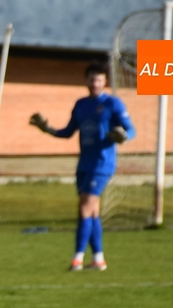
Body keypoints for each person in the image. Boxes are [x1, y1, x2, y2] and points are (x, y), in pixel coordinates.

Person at [30, 61, 135, 272]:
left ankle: (77, 259)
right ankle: (98, 260)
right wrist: (47, 129)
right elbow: (67, 132)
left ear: (105, 81)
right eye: (92, 79)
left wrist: (123, 136)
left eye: (99, 80)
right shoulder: (80, 104)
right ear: (86, 81)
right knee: (92, 212)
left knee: (84, 208)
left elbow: (131, 130)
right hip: (84, 164)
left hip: (102, 164)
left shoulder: (113, 103)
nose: (95, 83)